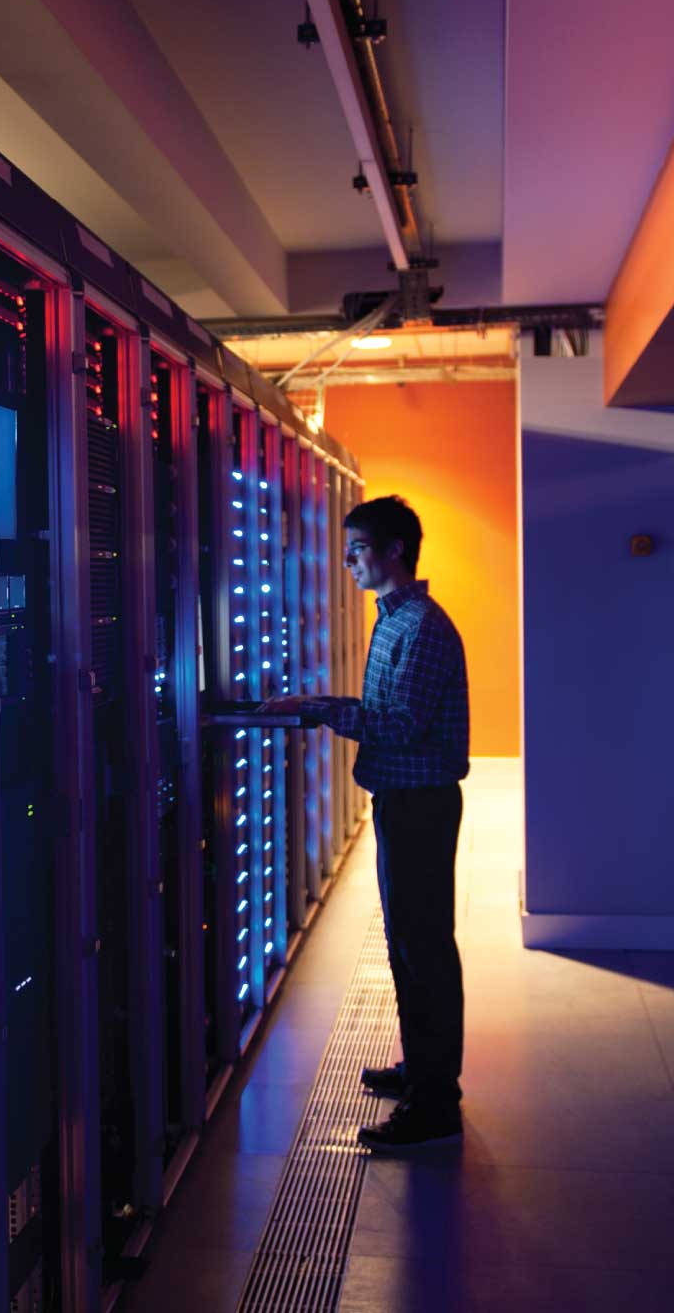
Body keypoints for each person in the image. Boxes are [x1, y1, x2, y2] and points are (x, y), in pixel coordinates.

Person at [265, 493, 470, 1151]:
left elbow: (402, 727)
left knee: (424, 947)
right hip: (400, 801)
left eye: (356, 549)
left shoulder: (422, 628)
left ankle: (436, 1103)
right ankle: (423, 1069)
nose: (347, 561)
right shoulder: (392, 619)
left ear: (392, 553)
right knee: (407, 943)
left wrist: (321, 708)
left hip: (421, 803)